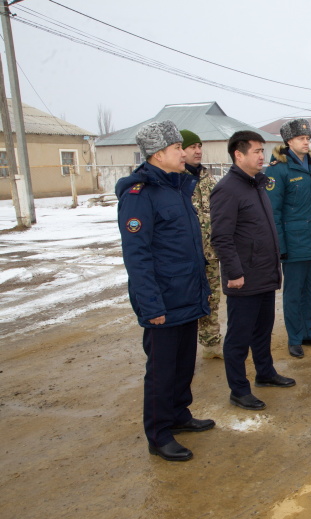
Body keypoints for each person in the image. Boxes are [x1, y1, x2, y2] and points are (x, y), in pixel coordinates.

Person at [115, 121, 213, 462]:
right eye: (176, 149)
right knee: (161, 370)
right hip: (164, 300)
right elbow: (137, 256)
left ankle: (178, 415)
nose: (183, 153)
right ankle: (158, 433)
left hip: (186, 294)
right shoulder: (139, 196)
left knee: (184, 364)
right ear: (159, 155)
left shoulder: (177, 188)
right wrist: (150, 305)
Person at [210, 130, 296, 411]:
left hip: (264, 273)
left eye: (263, 151)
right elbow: (221, 237)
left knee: (263, 329)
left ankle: (265, 373)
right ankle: (238, 389)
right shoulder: (227, 189)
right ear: (239, 154)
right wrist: (234, 273)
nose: (263, 156)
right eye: (257, 151)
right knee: (239, 337)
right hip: (243, 278)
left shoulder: (256, 184)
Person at [266, 119, 311, 359]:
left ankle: (310, 332)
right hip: (293, 243)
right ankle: (295, 338)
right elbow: (273, 212)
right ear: (289, 141)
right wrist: (280, 246)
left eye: (308, 138)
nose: (306, 142)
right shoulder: (278, 169)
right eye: (301, 139)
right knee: (294, 292)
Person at [181, 129, 222, 359]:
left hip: (210, 253)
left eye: (199, 146)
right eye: (191, 147)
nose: (197, 151)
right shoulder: (176, 181)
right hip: (185, 257)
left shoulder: (209, 180)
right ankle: (184, 350)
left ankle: (211, 345)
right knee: (186, 302)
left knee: (211, 300)